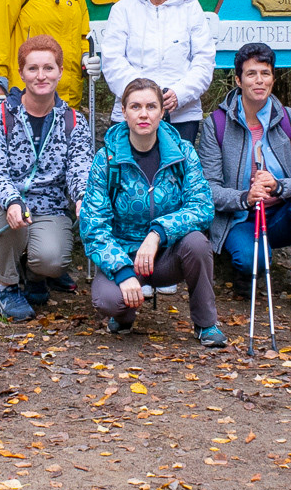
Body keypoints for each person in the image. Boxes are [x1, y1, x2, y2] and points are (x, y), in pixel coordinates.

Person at [80, 78, 222, 344]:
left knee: (198, 243)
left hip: (168, 255)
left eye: (151, 106)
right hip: (123, 253)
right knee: (107, 300)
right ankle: (124, 314)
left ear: (162, 112)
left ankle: (206, 325)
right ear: (123, 112)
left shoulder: (183, 152)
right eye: (135, 106)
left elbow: (202, 206)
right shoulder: (106, 159)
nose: (143, 114)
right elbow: (93, 225)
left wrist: (158, 232)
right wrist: (122, 271)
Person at [0, 36, 95, 321]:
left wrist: (81, 196)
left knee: (53, 260)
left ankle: (35, 272)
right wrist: (12, 200)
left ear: (61, 71)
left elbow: (80, 166)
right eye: (33, 68)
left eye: (49, 68)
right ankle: (9, 287)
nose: (41, 76)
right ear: (22, 73)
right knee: (7, 216)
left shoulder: (74, 121)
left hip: (48, 209)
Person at [197, 42, 291, 319]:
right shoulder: (216, 124)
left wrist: (280, 186)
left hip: (281, 214)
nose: (259, 81)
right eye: (251, 74)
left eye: (265, 74)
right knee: (252, 259)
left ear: (273, 78)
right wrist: (245, 197)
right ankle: (249, 267)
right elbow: (208, 189)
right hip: (239, 218)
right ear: (238, 80)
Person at [101, 0, 215, 144]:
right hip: (132, 117)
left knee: (176, 174)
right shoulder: (123, 9)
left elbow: (203, 60)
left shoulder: (191, 7)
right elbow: (112, 61)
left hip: (182, 116)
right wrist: (143, 99)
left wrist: (179, 94)